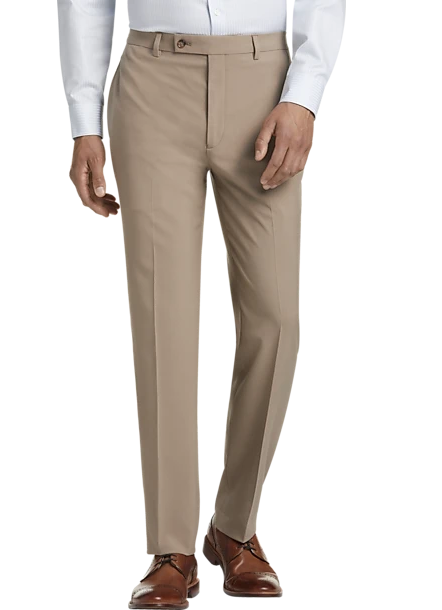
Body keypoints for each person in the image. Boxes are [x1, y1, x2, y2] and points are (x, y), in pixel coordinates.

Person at [58, 0, 344, 605]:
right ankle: (171, 550)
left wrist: (305, 96)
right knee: (161, 317)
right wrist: (83, 120)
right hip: (153, 79)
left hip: (266, 81)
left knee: (275, 317)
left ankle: (234, 529)